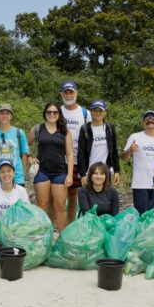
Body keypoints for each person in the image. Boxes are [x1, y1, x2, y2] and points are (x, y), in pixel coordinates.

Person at [28, 101, 73, 232]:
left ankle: (62, 239)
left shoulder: (65, 132)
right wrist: (30, 157)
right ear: (45, 113)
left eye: (55, 112)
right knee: (42, 205)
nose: (52, 114)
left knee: (60, 207)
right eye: (49, 112)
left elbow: (70, 154)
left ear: (59, 114)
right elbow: (25, 146)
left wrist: (70, 175)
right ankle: (42, 238)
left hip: (60, 172)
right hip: (42, 171)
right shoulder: (37, 129)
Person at [121, 110, 154, 214]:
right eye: (147, 118)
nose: (150, 120)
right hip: (140, 184)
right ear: (143, 122)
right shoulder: (135, 137)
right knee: (142, 217)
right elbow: (124, 158)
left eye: (153, 118)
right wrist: (129, 151)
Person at [59, 80, 91, 224]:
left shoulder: (85, 113)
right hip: (59, 159)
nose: (68, 95)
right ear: (61, 94)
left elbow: (91, 135)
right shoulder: (57, 111)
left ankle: (71, 223)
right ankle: (58, 224)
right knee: (58, 195)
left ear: (76, 93)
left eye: (71, 92)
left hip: (78, 159)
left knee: (73, 194)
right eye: (66, 92)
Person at [78, 99, 120, 186]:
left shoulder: (110, 128)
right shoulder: (85, 129)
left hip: (105, 172)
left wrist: (117, 171)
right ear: (91, 112)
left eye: (100, 110)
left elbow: (114, 151)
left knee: (105, 198)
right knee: (90, 198)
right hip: (89, 171)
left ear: (105, 112)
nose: (97, 113)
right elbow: (81, 152)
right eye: (95, 110)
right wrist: (82, 174)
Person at [0, 160, 30, 230]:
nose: (6, 174)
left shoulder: (21, 191)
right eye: (2, 172)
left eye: (9, 171)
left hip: (14, 229)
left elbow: (26, 214)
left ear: (14, 173)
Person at [0, 103, 30, 186]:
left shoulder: (19, 133)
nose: (4, 116)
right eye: (2, 113)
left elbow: (24, 154)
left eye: (7, 113)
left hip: (17, 177)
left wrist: (23, 173)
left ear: (11, 116)